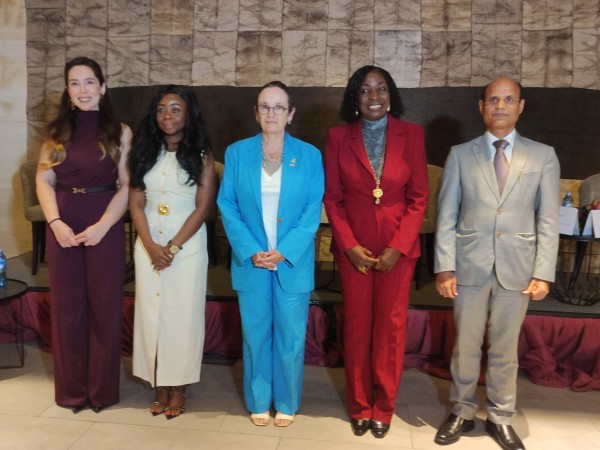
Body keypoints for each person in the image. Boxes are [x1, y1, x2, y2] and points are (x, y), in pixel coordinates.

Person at [434, 77, 560, 450]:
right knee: (466, 345)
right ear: (481, 106)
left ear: (520, 106)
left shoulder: (543, 156)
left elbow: (548, 219)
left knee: (505, 349)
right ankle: (462, 411)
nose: (500, 106)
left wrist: (543, 273)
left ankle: (501, 417)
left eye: (508, 100)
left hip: (518, 268)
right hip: (469, 266)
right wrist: (445, 266)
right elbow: (446, 214)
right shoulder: (460, 154)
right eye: (493, 100)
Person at [323, 65, 428, 438]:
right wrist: (349, 245)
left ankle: (383, 407)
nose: (374, 97)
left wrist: (398, 247)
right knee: (356, 328)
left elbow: (419, 198)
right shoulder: (338, 137)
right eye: (365, 90)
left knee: (390, 331)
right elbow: (332, 199)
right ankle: (359, 405)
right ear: (355, 97)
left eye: (381, 89)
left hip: (397, 252)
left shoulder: (411, 134)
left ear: (391, 95)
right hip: (354, 252)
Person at [217, 81, 324, 427]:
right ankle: (259, 401)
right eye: (265, 106)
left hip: (291, 262)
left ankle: (288, 403)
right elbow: (227, 205)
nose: (272, 113)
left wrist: (284, 251)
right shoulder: (237, 153)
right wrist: (251, 250)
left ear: (290, 114)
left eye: (279, 107)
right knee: (256, 335)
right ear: (256, 113)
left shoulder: (309, 155)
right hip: (252, 262)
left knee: (291, 338)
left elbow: (312, 210)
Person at [36, 56, 132, 413]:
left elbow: (127, 184)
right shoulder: (56, 133)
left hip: (104, 224)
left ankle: (101, 391)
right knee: (67, 308)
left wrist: (104, 225)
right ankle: (72, 391)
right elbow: (44, 180)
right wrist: (56, 223)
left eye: (89, 81)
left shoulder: (120, 131)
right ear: (67, 90)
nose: (83, 89)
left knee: (104, 307)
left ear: (102, 87)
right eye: (74, 83)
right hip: (63, 225)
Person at [128, 85, 216, 419]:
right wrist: (151, 246)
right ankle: (158, 383)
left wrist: (173, 247)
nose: (168, 115)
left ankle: (178, 386)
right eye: (162, 109)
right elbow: (136, 203)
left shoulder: (202, 154)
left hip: (186, 245)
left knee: (183, 315)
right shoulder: (144, 151)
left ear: (188, 114)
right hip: (148, 243)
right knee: (151, 314)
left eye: (176, 109)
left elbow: (203, 207)